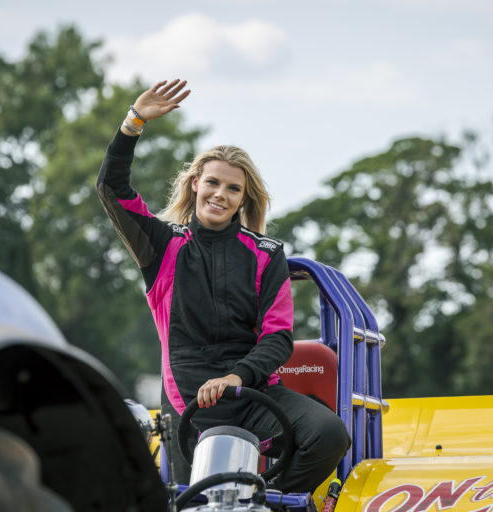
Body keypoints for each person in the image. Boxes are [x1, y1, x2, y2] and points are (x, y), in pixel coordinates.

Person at [96, 79, 350, 493]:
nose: (221, 194)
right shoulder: (162, 246)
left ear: (243, 198)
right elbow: (111, 189)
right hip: (190, 407)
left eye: (234, 188)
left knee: (329, 434)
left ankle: (266, 503)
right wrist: (134, 121)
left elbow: (278, 338)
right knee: (194, 501)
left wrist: (237, 377)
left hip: (255, 396)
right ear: (195, 183)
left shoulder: (267, 254)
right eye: (213, 182)